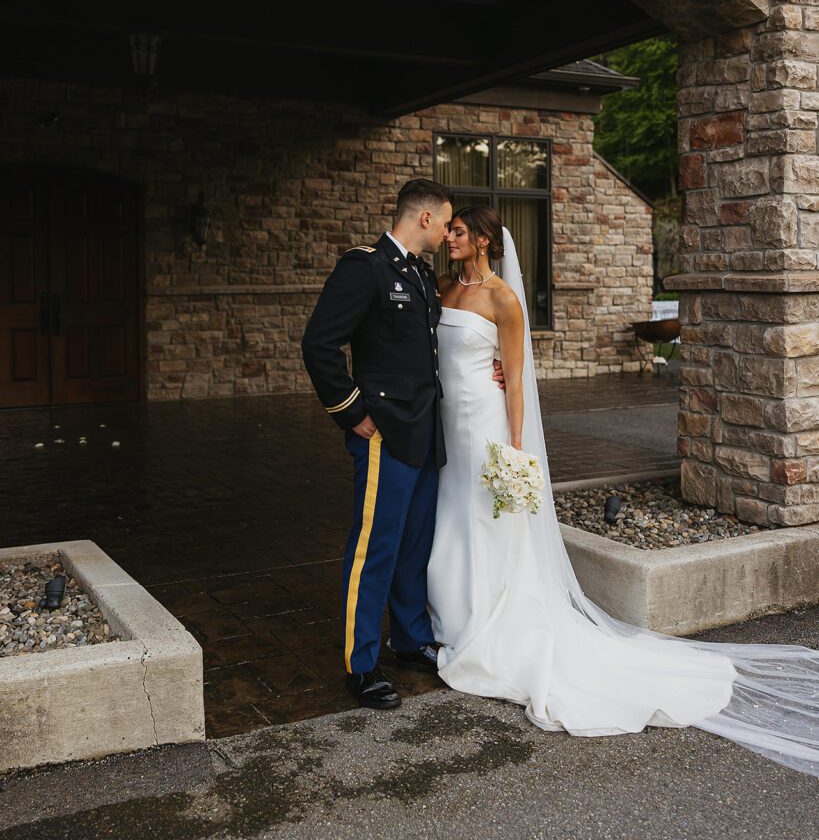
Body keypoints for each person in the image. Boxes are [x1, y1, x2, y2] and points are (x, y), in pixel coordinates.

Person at [428, 205, 819, 778]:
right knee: (452, 514)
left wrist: (515, 449)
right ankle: (451, 611)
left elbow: (515, 381)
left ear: (483, 240)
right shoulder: (441, 287)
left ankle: (487, 619)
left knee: (488, 519)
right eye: (449, 232)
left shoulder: (502, 301)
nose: (450, 239)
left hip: (486, 423)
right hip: (447, 423)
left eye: (459, 232)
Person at [302, 180, 504, 710]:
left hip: (426, 432)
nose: (448, 230)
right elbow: (319, 343)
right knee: (375, 549)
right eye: (445, 222)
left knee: (414, 544)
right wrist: (352, 413)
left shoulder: (418, 273)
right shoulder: (364, 268)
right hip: (385, 433)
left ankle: (410, 639)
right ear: (423, 220)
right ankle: (360, 663)